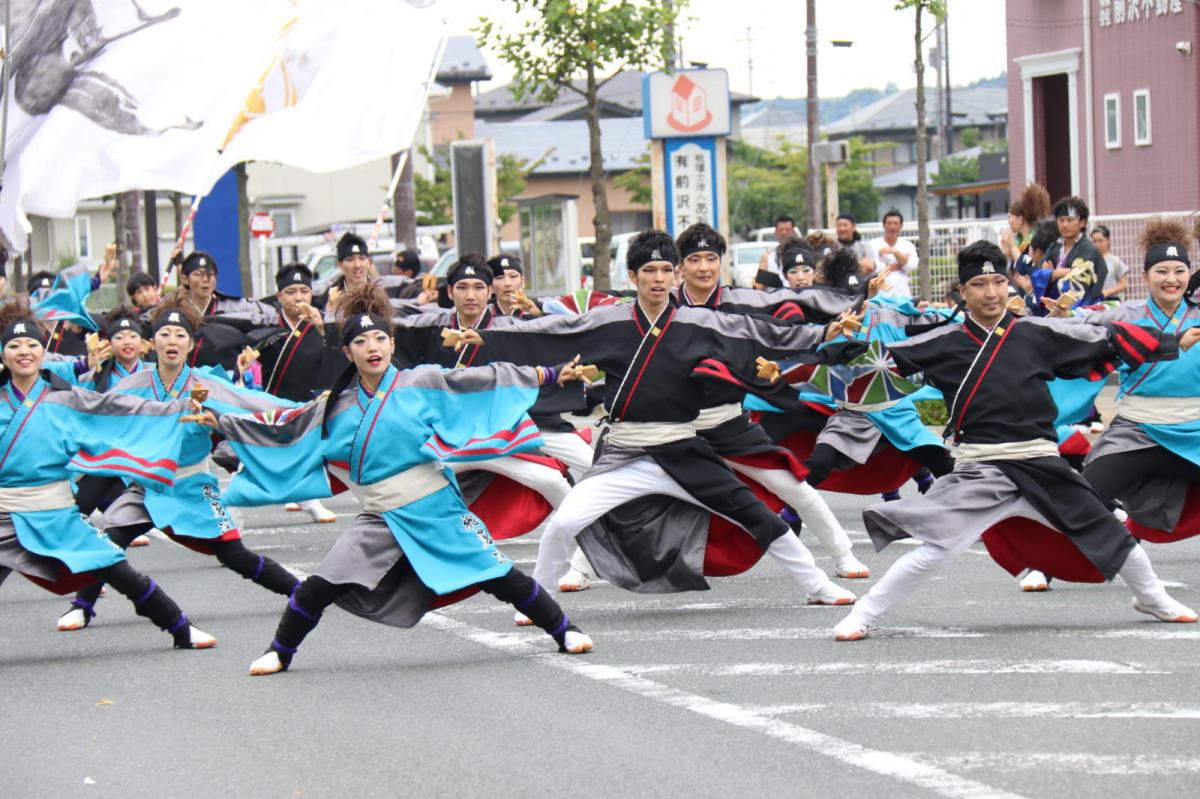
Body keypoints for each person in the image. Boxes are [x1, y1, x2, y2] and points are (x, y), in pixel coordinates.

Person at [199, 284, 595, 675]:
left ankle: (565, 630)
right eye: (360, 342)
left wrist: (548, 373)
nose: (371, 348)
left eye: (379, 339)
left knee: (498, 575)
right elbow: (286, 423)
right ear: (347, 352)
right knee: (321, 584)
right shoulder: (336, 406)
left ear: (391, 344)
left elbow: (483, 380)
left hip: (436, 508)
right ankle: (280, 652)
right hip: (380, 515)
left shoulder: (421, 383)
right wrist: (224, 422)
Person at [450, 229, 856, 605]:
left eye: (665, 270)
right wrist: (489, 336)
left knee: (759, 517)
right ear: (633, 276)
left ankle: (818, 584)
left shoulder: (699, 322)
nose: (658, 278)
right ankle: (537, 599)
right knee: (563, 523)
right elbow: (555, 331)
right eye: (649, 270)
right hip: (625, 453)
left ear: (675, 275)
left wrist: (822, 334)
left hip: (682, 448)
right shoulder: (609, 321)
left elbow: (759, 333)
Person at [829, 240, 1196, 641]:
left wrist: (1170, 343)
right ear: (962, 291)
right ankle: (864, 613)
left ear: (1009, 285)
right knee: (938, 548)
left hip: (1042, 463)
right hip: (980, 469)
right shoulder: (941, 342)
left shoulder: (1037, 332)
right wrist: (830, 345)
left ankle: (1153, 599)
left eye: (999, 282)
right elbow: (872, 363)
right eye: (979, 284)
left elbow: (1102, 338)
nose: (991, 293)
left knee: (1111, 533)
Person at [54, 300, 302, 632]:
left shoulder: (203, 385)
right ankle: (82, 606)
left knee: (234, 554)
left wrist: (306, 409)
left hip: (193, 485)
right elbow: (96, 413)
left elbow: (253, 403)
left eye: (180, 334)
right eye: (165, 334)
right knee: (108, 541)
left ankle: (299, 592)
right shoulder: (134, 383)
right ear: (152, 343)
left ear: (191, 343)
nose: (172, 341)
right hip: (147, 486)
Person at [0, 300, 216, 649]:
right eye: (14, 345)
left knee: (114, 565)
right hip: (5, 513)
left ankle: (181, 628)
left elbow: (118, 409)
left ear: (43, 352)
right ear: (3, 354)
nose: (23, 351)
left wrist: (175, 409)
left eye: (31, 345)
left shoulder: (67, 398)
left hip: (55, 513)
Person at [670, 223, 870, 579]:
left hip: (727, 421)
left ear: (721, 263)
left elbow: (784, 324)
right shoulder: (664, 307)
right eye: (694, 259)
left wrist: (825, 330)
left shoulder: (743, 300)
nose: (703, 267)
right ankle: (580, 566)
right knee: (617, 490)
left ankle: (843, 555)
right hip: (670, 426)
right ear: (680, 267)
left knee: (793, 485)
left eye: (711, 259)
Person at [1073, 218, 1200, 545]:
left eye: (1179, 271)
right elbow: (1077, 325)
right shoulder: (1125, 314)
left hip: (1195, 430)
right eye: (1162, 271)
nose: (1171, 279)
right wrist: (1061, 315)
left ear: (1189, 275)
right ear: (1145, 276)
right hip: (1137, 430)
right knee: (1082, 497)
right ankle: (1048, 563)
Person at [174, 251, 277, 323]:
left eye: (211, 274)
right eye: (198, 274)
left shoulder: (235, 306)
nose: (205, 279)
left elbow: (274, 316)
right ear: (185, 279)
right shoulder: (176, 309)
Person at [1045, 197, 1107, 307]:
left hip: (1082, 311)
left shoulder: (1089, 251)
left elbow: (1078, 285)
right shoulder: (1053, 248)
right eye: (1061, 220)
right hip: (1053, 308)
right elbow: (1040, 273)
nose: (1065, 225)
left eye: (1070, 220)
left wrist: (1051, 275)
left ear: (1082, 222)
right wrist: (1057, 273)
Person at [866, 209, 919, 298]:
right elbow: (871, 267)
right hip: (880, 293)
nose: (892, 226)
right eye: (889, 223)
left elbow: (911, 266)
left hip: (902, 291)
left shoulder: (907, 245)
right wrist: (898, 265)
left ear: (901, 226)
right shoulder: (873, 244)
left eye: (896, 223)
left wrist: (895, 252)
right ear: (884, 225)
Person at [1000, 183, 1051, 266]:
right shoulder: (1018, 240)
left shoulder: (1036, 240)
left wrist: (1012, 246)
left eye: (1010, 217)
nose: (1008, 221)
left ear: (1020, 219)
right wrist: (1008, 254)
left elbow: (1027, 266)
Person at [1091, 225, 1128, 301]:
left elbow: (1124, 284)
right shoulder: (1089, 261)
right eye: (1094, 241)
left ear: (1108, 240)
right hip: (1094, 301)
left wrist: (1107, 292)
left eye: (1100, 241)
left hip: (1112, 301)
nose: (1097, 244)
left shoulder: (1115, 261)